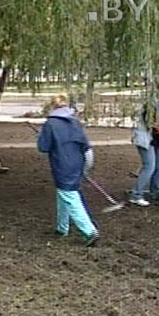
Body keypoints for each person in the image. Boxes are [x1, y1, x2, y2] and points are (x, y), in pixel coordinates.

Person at [37, 95, 99, 247]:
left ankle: (89, 231)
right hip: (78, 162)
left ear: (52, 107)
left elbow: (43, 147)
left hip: (62, 164)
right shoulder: (75, 122)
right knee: (63, 193)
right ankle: (61, 228)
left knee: (69, 195)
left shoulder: (50, 124)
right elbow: (85, 145)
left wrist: (42, 136)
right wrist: (86, 166)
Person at [129, 88, 159, 206]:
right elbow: (152, 123)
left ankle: (155, 193)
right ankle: (136, 195)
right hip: (146, 139)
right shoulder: (150, 105)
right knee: (149, 166)